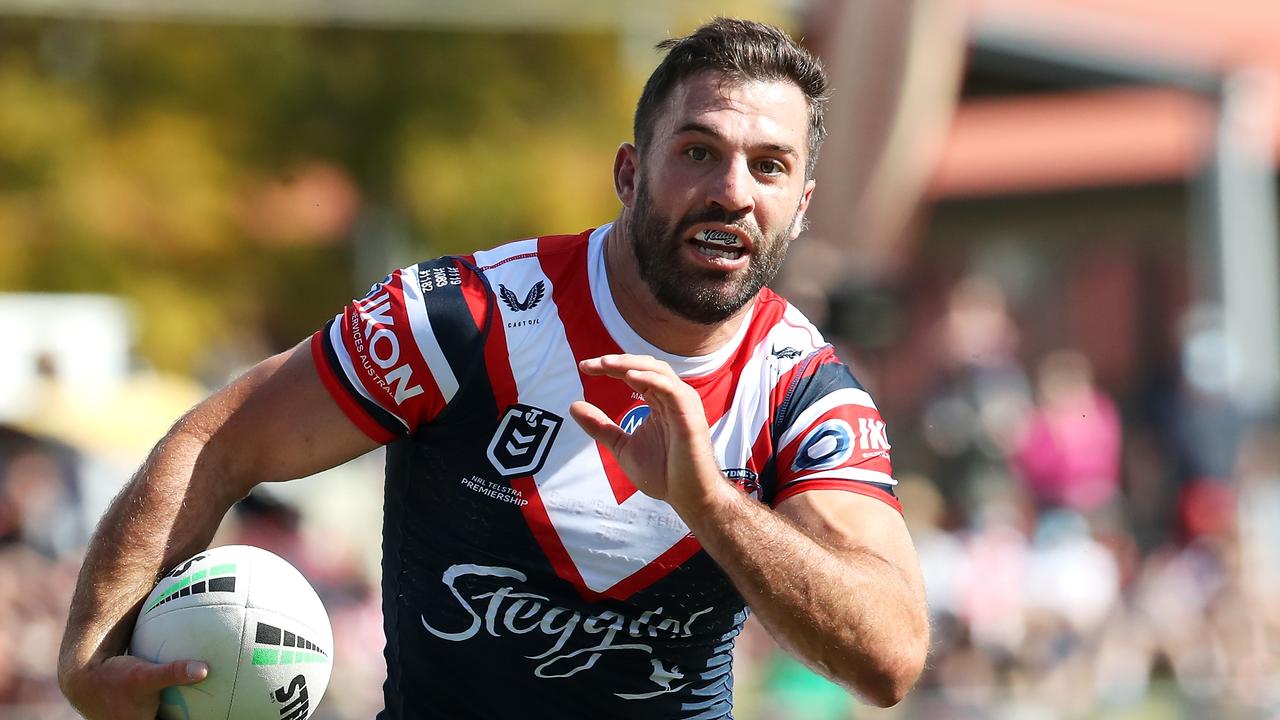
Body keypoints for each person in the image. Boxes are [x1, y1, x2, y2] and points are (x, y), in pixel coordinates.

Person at [57, 18, 929, 719]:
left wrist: (710, 507)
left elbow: (889, 658)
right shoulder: (459, 319)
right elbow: (219, 442)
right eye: (698, 151)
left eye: (769, 167)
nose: (733, 190)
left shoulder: (805, 394)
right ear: (630, 174)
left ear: (800, 207)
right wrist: (93, 645)